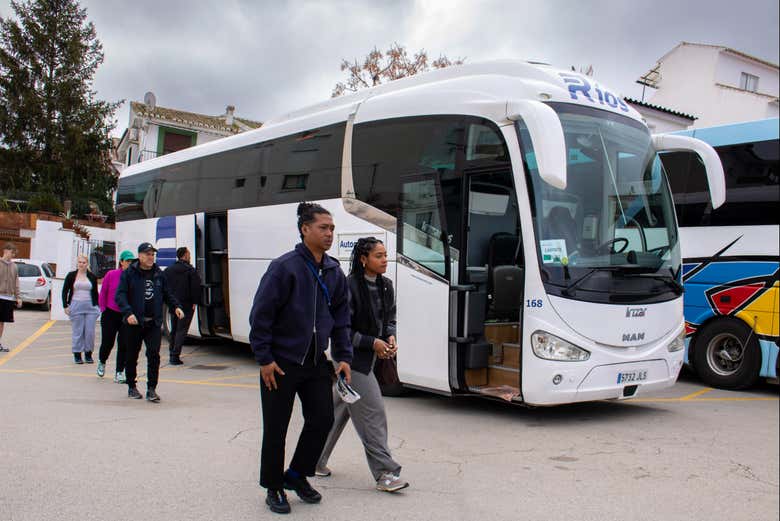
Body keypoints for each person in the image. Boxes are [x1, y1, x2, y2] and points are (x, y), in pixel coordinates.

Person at [249, 202, 353, 515]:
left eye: (332, 228)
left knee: (322, 419)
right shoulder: (284, 267)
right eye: (323, 227)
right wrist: (264, 358)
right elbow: (261, 316)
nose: (329, 233)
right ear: (305, 229)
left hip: (315, 362)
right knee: (276, 428)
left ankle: (295, 475)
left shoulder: (334, 271)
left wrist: (343, 355)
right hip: (280, 362)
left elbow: (342, 319)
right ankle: (273, 486)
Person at [316, 237, 408, 493]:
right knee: (373, 414)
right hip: (351, 359)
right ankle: (385, 473)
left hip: (372, 357)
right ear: (363, 259)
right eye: (379, 256)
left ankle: (313, 459)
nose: (385, 260)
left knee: (338, 411)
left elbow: (390, 319)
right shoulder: (349, 287)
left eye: (386, 255)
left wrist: (390, 337)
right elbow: (342, 329)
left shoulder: (386, 286)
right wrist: (373, 343)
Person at [115, 242, 184, 402]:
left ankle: (151, 389)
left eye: (152, 254)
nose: (151, 257)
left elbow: (167, 294)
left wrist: (176, 307)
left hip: (153, 323)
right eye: (147, 254)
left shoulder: (159, 274)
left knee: (154, 355)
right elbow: (120, 295)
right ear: (139, 256)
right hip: (134, 323)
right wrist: (128, 312)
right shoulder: (129, 273)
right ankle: (132, 386)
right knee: (132, 355)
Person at [96, 250, 135, 382]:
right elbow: (103, 293)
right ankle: (102, 361)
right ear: (121, 262)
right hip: (110, 313)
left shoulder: (133, 277)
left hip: (125, 314)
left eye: (131, 261)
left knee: (124, 344)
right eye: (127, 261)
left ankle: (119, 372)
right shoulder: (111, 274)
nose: (130, 264)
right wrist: (103, 309)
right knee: (108, 342)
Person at [163, 247, 202, 365]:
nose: (190, 256)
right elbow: (195, 287)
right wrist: (195, 302)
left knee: (174, 329)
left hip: (173, 304)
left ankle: (171, 352)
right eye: (189, 254)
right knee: (182, 330)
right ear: (184, 255)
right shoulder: (190, 270)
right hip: (186, 304)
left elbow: (165, 287)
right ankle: (175, 356)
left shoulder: (169, 270)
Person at [62, 254, 100, 364]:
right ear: (77, 263)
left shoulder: (92, 277)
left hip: (90, 307)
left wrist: (97, 306)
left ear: (87, 264)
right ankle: (77, 354)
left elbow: (95, 293)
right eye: (80, 262)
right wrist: (65, 305)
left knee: (89, 332)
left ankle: (88, 353)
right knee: (78, 331)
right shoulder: (71, 275)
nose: (82, 264)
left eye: (84, 262)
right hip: (76, 305)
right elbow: (65, 291)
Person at [0, 242, 22, 353]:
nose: (13, 255)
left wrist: (18, 297)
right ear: (6, 251)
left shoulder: (14, 266)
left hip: (8, 298)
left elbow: (16, 282)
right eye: (12, 253)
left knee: (2, 322)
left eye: (14, 253)